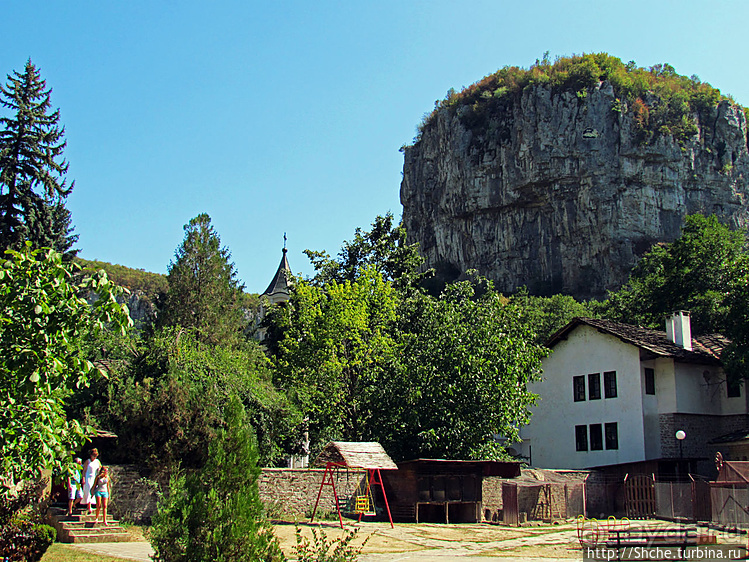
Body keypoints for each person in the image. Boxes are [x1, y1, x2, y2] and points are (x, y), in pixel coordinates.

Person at [81, 448, 101, 514]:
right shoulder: (88, 461)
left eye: (96, 456)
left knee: (93, 491)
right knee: (88, 490)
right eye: (93, 455)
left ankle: (92, 504)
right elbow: (84, 470)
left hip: (94, 477)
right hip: (88, 477)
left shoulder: (97, 461)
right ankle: (89, 505)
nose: (94, 457)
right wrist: (83, 478)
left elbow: (100, 468)